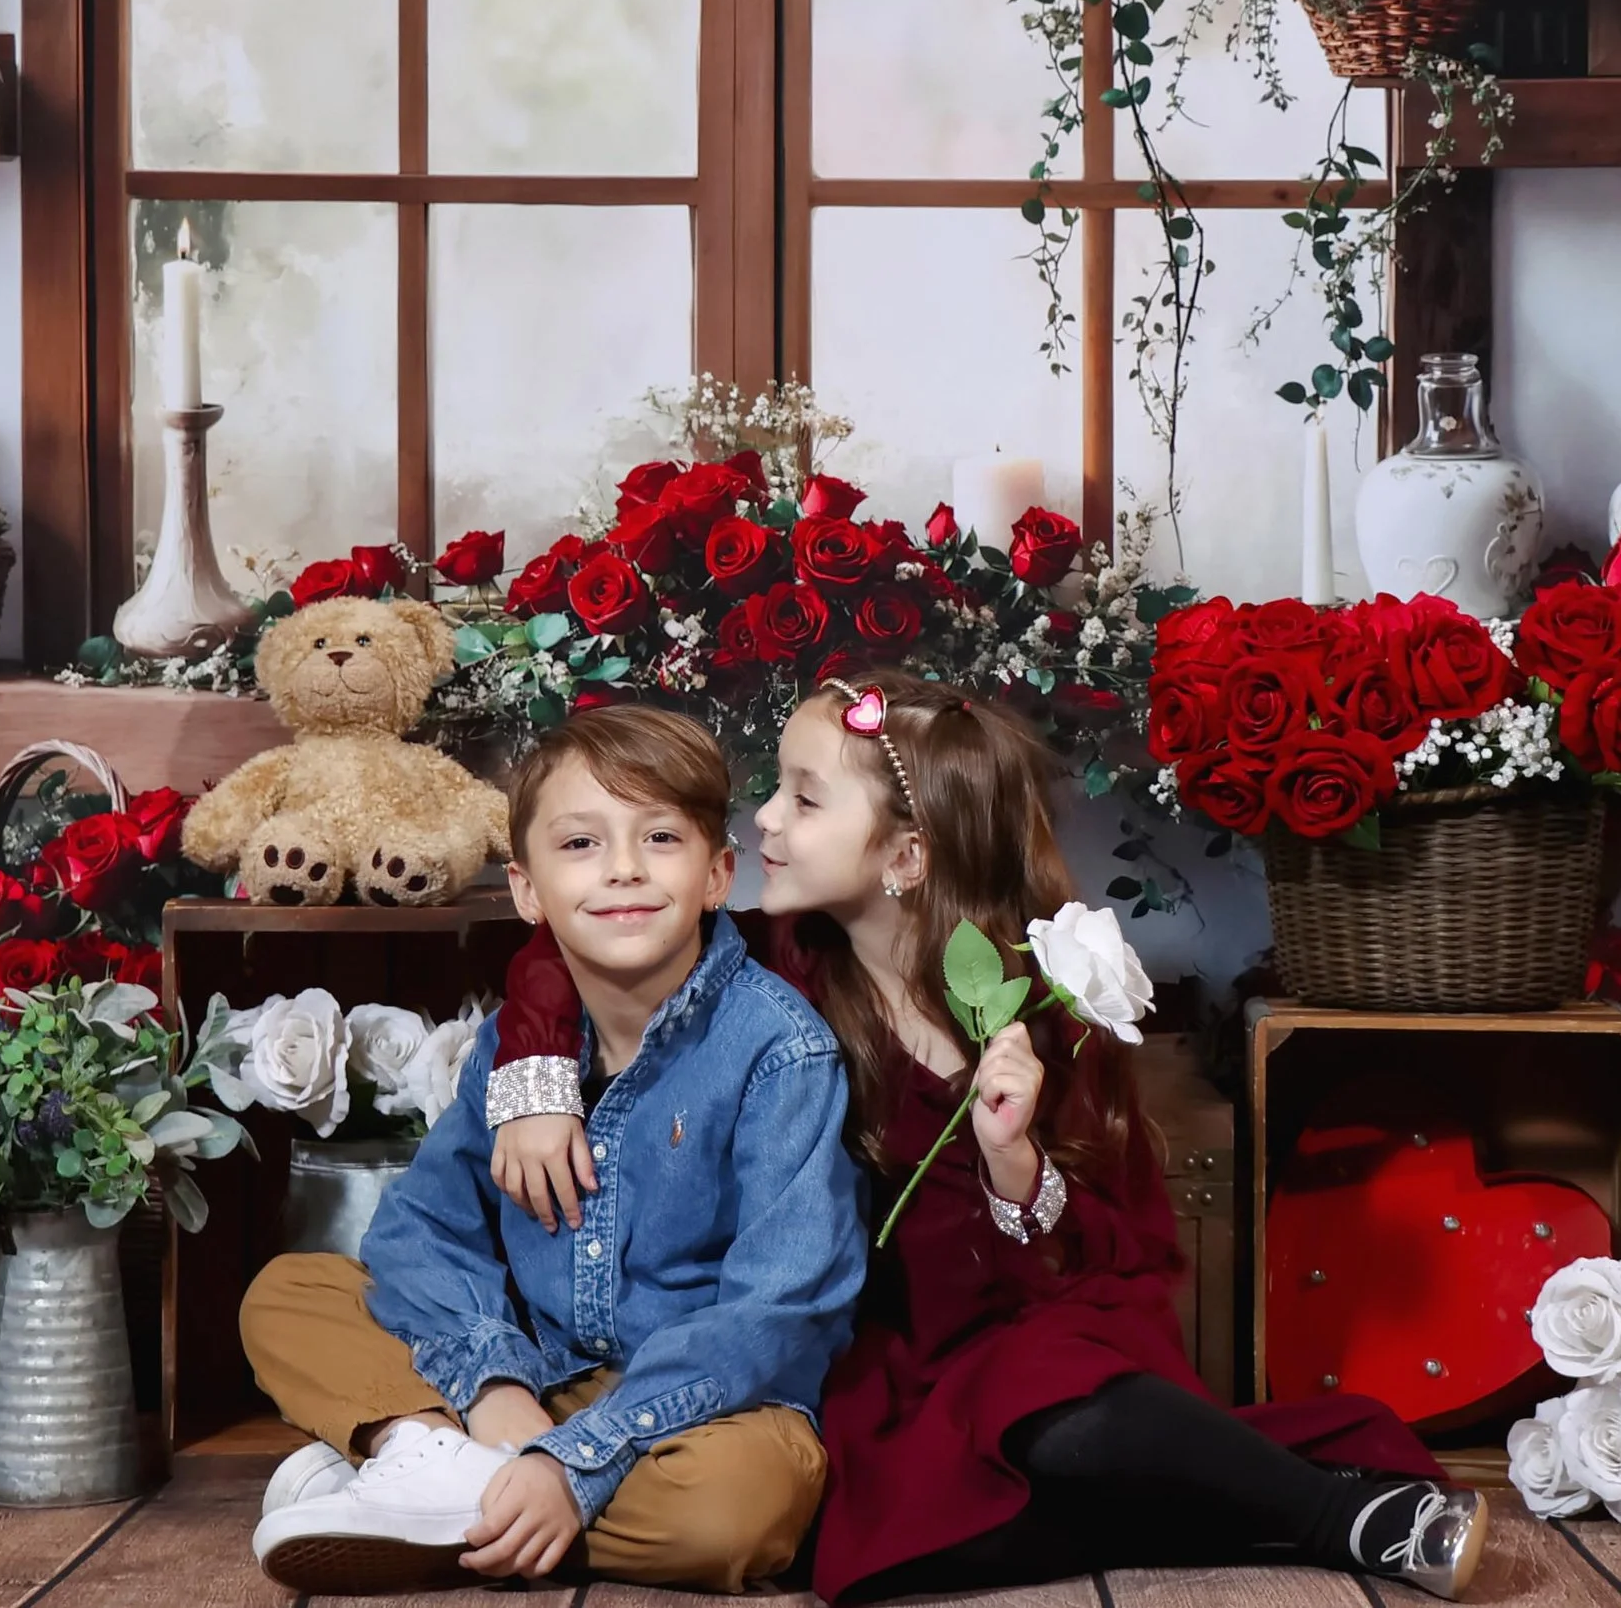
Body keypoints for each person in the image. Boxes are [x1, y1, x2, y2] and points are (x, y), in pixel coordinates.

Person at [483, 671, 1489, 1602]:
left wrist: (1016, 1162)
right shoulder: (769, 971)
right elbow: (581, 941)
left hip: (1043, 1327)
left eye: (803, 797)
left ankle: (1349, 1518)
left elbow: (1107, 1249)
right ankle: (1216, 1504)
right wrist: (532, 1077)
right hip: (878, 1353)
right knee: (867, 1539)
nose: (765, 822)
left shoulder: (1042, 1002)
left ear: (906, 857)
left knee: (1048, 1404)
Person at [239, 706, 865, 1595]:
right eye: (579, 845)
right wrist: (496, 1385)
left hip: (696, 1411)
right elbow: (419, 1234)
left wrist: (580, 1458)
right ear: (527, 890)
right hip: (531, 1375)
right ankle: (458, 1468)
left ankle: (428, 1481)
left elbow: (781, 1310)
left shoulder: (777, 1052)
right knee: (292, 1292)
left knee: (742, 1509)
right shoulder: (514, 1047)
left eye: (659, 837)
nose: (622, 870)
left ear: (720, 874)